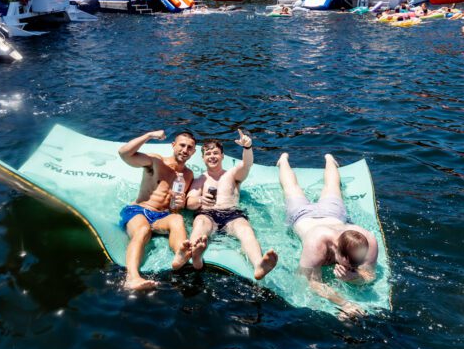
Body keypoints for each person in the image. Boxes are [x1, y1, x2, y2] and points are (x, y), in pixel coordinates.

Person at [277, 152, 378, 320]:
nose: (352, 266)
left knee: (332, 188)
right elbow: (310, 282)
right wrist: (344, 303)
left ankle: (329, 159)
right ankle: (283, 160)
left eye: (356, 263)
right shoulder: (317, 242)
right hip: (301, 215)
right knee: (291, 189)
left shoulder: (369, 241)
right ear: (337, 250)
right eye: (349, 263)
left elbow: (369, 275)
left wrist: (356, 277)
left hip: (333, 214)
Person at [187, 132, 278, 279]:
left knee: (245, 229)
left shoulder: (232, 174)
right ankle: (196, 257)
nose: (212, 156)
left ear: (223, 156)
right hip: (207, 215)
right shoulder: (200, 179)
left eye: (216, 153)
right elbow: (189, 202)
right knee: (201, 223)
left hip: (232, 214)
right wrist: (200, 200)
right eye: (208, 153)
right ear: (203, 158)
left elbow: (247, 164)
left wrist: (247, 147)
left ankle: (258, 265)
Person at [118, 130, 197, 290]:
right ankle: (132, 278)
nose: (185, 150)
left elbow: (175, 209)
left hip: (162, 216)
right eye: (182, 145)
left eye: (189, 148)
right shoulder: (156, 161)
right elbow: (124, 153)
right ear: (173, 145)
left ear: (193, 152)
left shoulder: (188, 175)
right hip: (139, 210)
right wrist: (148, 136)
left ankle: (180, 254)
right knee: (143, 230)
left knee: (177, 219)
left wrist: (179, 205)